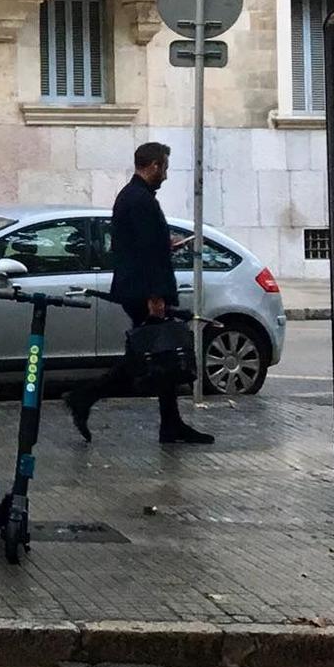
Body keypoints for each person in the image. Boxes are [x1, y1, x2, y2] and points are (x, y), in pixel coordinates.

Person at [67, 141, 214, 445]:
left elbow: (138, 245)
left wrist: (165, 245)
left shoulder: (132, 197)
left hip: (139, 288)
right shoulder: (140, 200)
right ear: (154, 166)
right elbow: (144, 252)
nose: (166, 175)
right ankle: (84, 397)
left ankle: (170, 423)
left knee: (160, 357)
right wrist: (156, 296)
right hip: (145, 292)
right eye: (165, 168)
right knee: (149, 356)